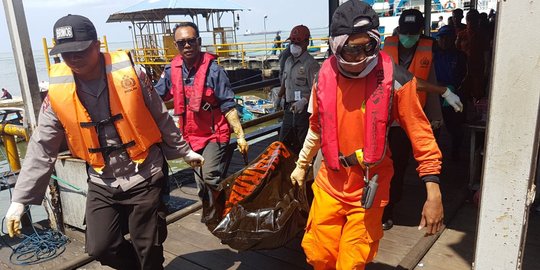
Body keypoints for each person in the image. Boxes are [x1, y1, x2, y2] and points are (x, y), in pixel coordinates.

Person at [3, 15, 204, 270]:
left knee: (149, 246)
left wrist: (184, 151)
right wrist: (19, 200)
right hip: (101, 178)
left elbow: (159, 114)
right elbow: (42, 146)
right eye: (66, 53)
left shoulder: (132, 72)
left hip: (144, 171)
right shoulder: (57, 92)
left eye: (80, 50)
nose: (74, 58)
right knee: (100, 246)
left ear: (96, 45)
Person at [289, 1, 444, 268]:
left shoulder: (396, 79)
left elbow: (422, 136)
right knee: (317, 254)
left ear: (376, 41)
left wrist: (434, 192)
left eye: (367, 46)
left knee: (351, 262)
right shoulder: (323, 76)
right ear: (337, 45)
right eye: (351, 49)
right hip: (330, 181)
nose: (360, 56)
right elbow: (316, 128)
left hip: (368, 186)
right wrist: (302, 165)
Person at [381, 8, 460, 230]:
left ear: (420, 32)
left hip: (410, 117)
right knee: (379, 163)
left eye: (412, 33)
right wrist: (444, 91)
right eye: (405, 33)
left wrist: (436, 116)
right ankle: (376, 206)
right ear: (399, 31)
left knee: (398, 165)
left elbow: (425, 81)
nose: (408, 37)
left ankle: (389, 209)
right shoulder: (386, 50)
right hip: (384, 118)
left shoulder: (427, 50)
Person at [154, 22, 248, 199]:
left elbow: (228, 105)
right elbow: (154, 97)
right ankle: (212, 212)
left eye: (191, 41)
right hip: (189, 135)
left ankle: (221, 212)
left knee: (210, 176)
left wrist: (241, 136)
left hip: (214, 134)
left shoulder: (214, 71)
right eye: (182, 42)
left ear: (198, 41)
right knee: (200, 181)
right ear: (175, 45)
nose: (187, 45)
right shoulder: (170, 71)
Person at [277, 25, 320, 154]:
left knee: (304, 144)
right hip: (290, 109)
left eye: (298, 42)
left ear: (306, 42)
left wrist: (304, 101)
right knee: (283, 143)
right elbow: (285, 81)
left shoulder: (311, 64)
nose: (294, 45)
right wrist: (279, 97)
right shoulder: (288, 61)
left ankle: (307, 170)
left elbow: (317, 89)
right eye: (292, 42)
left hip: (305, 112)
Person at [434, 26, 467, 160]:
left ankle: (455, 153)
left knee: (454, 126)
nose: (443, 41)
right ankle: (433, 154)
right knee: (434, 126)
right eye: (441, 38)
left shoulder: (460, 56)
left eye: (446, 37)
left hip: (453, 94)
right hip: (435, 93)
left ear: (453, 38)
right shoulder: (433, 55)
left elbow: (465, 76)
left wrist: (454, 89)